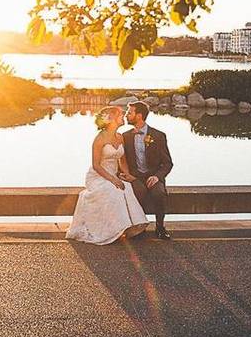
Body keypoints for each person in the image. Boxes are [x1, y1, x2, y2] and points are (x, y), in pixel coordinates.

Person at [66, 106, 150, 245]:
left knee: (127, 187)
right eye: (120, 115)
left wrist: (126, 174)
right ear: (111, 119)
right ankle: (112, 230)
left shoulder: (120, 137)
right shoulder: (99, 139)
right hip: (98, 176)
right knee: (112, 190)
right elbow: (96, 165)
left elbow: (121, 159)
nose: (123, 117)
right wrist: (113, 179)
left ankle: (130, 228)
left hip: (113, 174)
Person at [122, 101, 173, 239]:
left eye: (129, 112)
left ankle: (160, 227)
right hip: (135, 177)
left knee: (159, 193)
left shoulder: (158, 136)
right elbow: (121, 161)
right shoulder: (125, 137)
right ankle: (139, 227)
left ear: (139, 116)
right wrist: (126, 175)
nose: (126, 115)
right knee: (139, 191)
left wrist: (157, 176)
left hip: (153, 176)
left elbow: (168, 163)